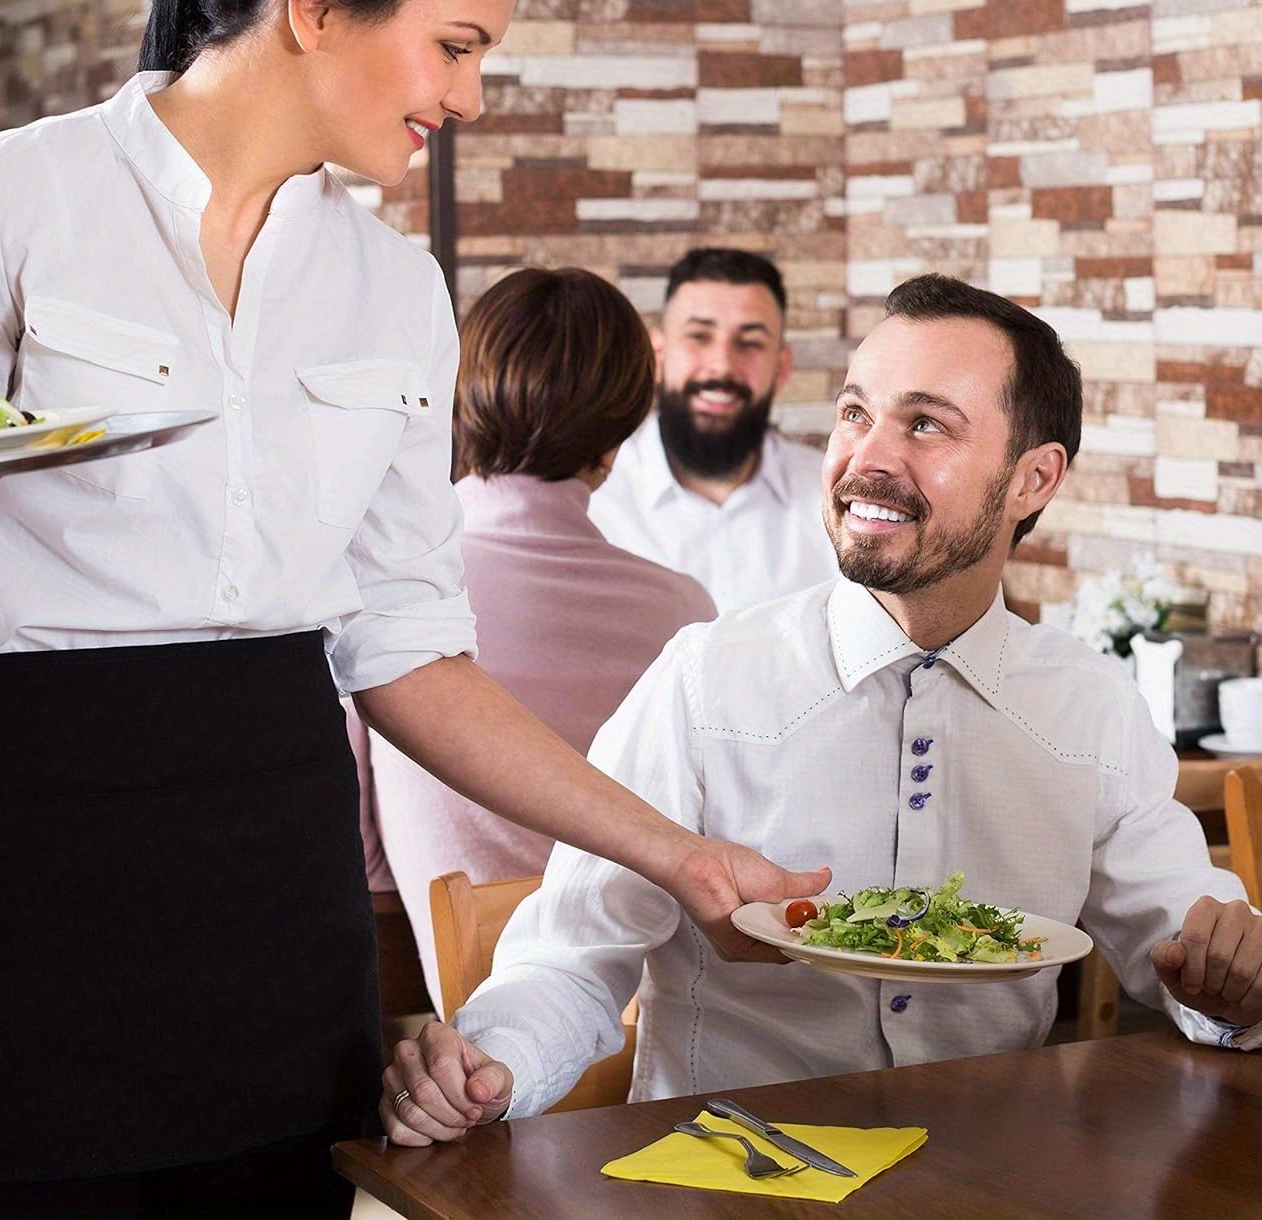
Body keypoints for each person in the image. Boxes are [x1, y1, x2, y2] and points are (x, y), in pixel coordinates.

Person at [0, 0, 828, 1218]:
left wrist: (683, 854)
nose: (466, 98)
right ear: (317, 4)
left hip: (276, 913)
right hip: (26, 881)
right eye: (456, 46)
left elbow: (407, 649)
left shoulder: (395, 287)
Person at [382, 273, 1261, 1142]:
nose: (866, 460)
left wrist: (1232, 987)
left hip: (988, 1176)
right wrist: (493, 1064)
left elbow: (1191, 960)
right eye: (854, 413)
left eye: (925, 424)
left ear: (1033, 479)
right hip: (728, 1181)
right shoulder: (706, 679)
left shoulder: (1092, 710)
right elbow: (571, 958)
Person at [350, 266, 717, 1012]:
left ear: (462, 398)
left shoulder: (380, 587)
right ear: (614, 442)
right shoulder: (683, 611)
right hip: (647, 1015)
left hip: (476, 1021)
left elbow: (361, 855)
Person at [589, 246, 836, 612]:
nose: (722, 366)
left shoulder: (835, 501)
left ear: (781, 368)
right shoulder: (594, 503)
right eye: (699, 336)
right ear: (657, 354)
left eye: (750, 343)